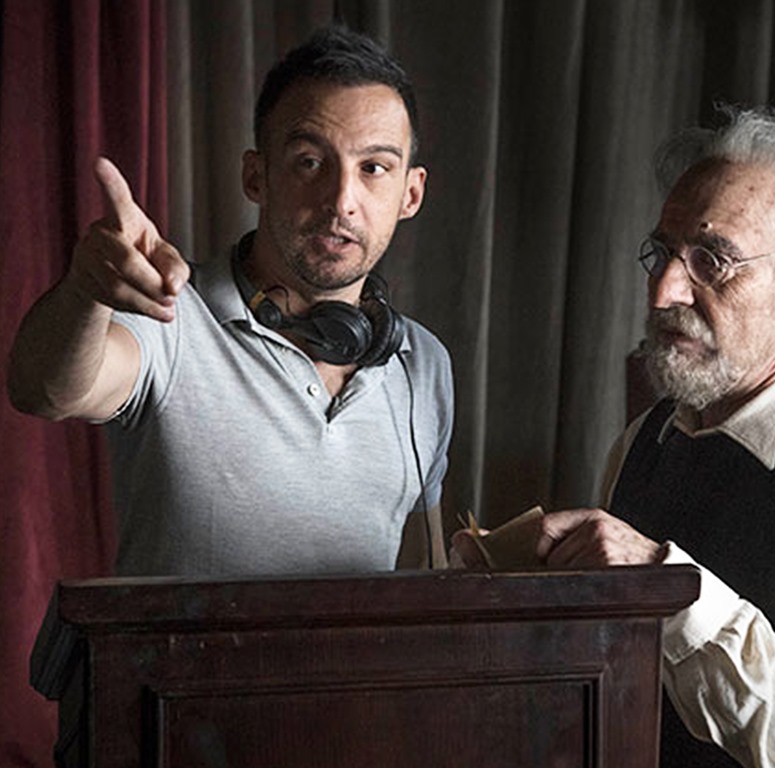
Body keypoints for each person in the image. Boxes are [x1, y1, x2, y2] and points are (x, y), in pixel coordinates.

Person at [454, 107, 775, 766]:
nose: (664, 290)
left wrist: (669, 590)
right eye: (663, 253)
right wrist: (524, 602)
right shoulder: (647, 438)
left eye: (712, 261)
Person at [7, 25, 453, 576]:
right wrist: (85, 293)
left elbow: (425, 572)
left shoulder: (423, 364)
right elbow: (46, 390)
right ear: (256, 176)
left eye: (373, 168)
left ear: (411, 193)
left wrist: (521, 564)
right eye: (309, 161)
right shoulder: (169, 315)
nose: (342, 200)